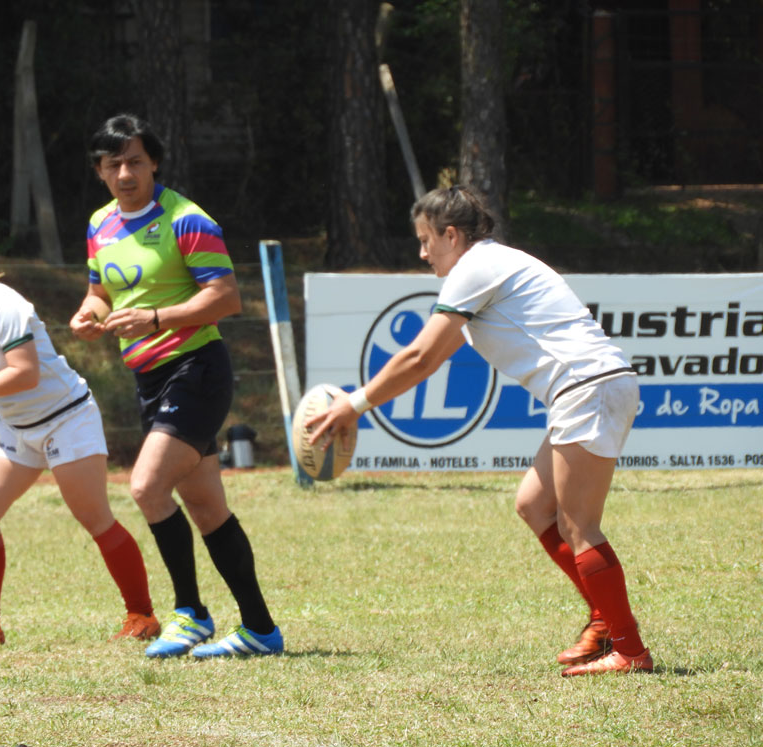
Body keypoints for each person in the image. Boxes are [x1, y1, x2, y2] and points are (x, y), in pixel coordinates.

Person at [308, 186, 653, 677]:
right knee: (534, 504)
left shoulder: (475, 267)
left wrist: (355, 403)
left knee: (579, 526)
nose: (422, 253)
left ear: (452, 235)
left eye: (426, 240)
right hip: (589, 388)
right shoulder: (485, 270)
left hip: (588, 388)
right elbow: (431, 357)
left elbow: (419, 357)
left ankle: (630, 650)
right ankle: (605, 621)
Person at [70, 114, 282, 659]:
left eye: (135, 161)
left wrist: (157, 318)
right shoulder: (99, 225)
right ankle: (260, 630)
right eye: (113, 164)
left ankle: (190, 613)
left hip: (196, 370)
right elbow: (100, 291)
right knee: (206, 507)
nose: (125, 173)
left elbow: (226, 298)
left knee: (146, 487)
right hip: (149, 378)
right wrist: (89, 314)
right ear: (99, 170)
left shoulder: (187, 220)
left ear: (155, 163)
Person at [0, 225, 159, 648]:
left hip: (67, 417)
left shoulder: (2, 304)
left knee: (94, 518)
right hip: (17, 425)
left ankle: (142, 615)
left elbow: (25, 374)